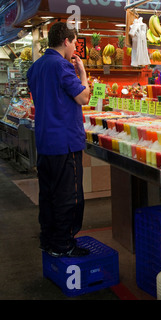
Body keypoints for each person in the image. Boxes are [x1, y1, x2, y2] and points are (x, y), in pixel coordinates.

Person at [27, 22, 90, 257]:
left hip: (44, 141)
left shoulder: (35, 67)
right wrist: (82, 73)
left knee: (48, 194)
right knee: (68, 197)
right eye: (74, 43)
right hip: (65, 142)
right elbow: (83, 97)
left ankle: (48, 240)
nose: (75, 47)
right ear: (66, 41)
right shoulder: (63, 66)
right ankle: (64, 244)